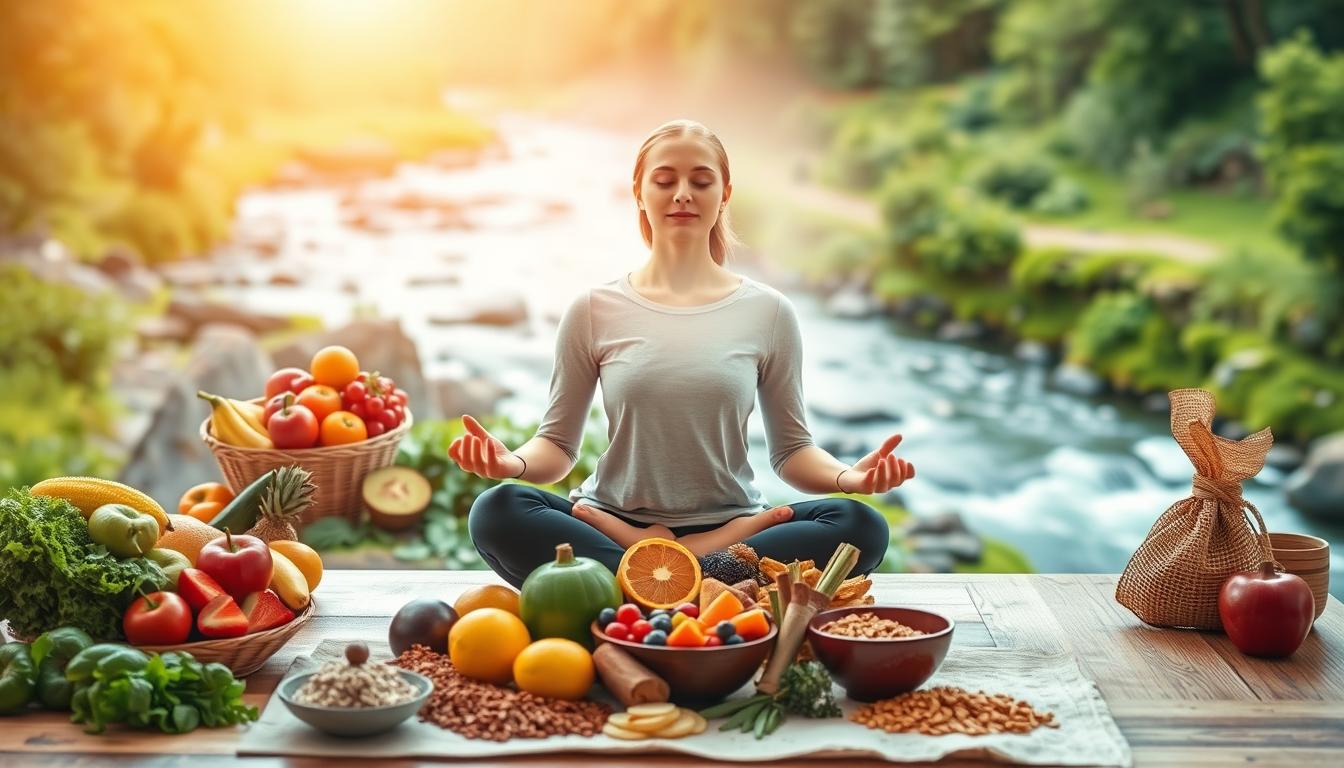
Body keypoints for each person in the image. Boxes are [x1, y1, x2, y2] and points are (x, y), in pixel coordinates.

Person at [449, 119, 914, 589]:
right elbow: (557, 446)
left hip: (735, 529)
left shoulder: (769, 312)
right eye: (665, 180)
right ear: (639, 191)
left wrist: (848, 479)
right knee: (498, 510)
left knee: (860, 526)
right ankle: (699, 581)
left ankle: (646, 577)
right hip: (607, 520)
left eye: (701, 181)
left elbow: (792, 451)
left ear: (725, 193)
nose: (683, 194)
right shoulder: (592, 309)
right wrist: (513, 464)